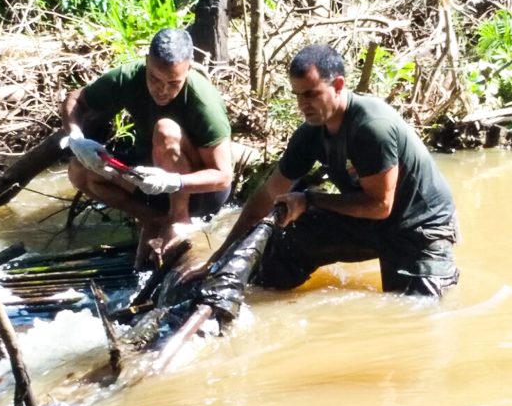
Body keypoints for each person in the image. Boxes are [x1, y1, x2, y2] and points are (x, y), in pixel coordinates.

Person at [199, 43, 459, 296]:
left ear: (338, 85)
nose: (303, 104)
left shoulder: (372, 127)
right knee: (291, 236)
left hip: (420, 225)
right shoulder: (310, 133)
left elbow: (380, 205)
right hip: (372, 220)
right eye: (297, 95)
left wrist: (310, 200)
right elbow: (268, 195)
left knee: (415, 309)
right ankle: (262, 291)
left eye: (312, 94)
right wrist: (218, 258)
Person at [61, 28, 233, 268]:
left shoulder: (204, 101)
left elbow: (223, 177)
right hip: (150, 178)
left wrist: (173, 181)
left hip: (199, 192)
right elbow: (75, 99)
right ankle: (152, 219)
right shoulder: (130, 77)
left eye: (173, 83)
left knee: (165, 130)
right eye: (155, 79)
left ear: (188, 69)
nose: (162, 90)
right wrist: (76, 138)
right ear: (146, 62)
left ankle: (179, 218)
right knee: (79, 170)